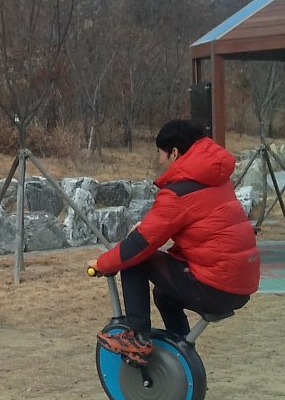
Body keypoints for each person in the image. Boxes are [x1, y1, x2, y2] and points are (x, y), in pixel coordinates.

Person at [87, 119, 259, 365]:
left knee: (135, 259)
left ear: (174, 153)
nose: (159, 160)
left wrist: (102, 264)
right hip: (242, 284)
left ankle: (137, 339)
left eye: (160, 153)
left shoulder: (178, 192)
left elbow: (139, 246)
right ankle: (181, 353)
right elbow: (199, 225)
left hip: (214, 287)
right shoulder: (217, 181)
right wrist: (146, 230)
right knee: (165, 295)